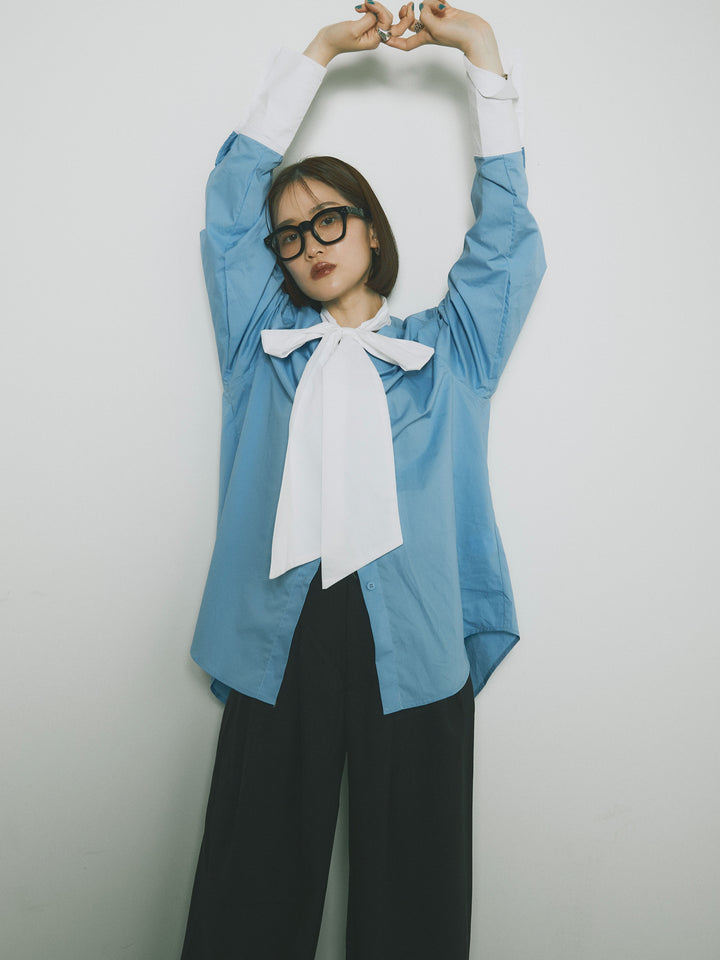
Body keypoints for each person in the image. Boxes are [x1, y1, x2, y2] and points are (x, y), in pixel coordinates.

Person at [181, 2, 546, 958]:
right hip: (280, 630)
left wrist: (482, 58)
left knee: (415, 893)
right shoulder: (262, 346)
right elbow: (229, 210)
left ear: (371, 232)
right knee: (249, 889)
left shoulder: (449, 349)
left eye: (329, 219)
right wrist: (317, 56)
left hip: (414, 629)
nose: (310, 242)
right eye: (290, 236)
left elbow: (507, 241)